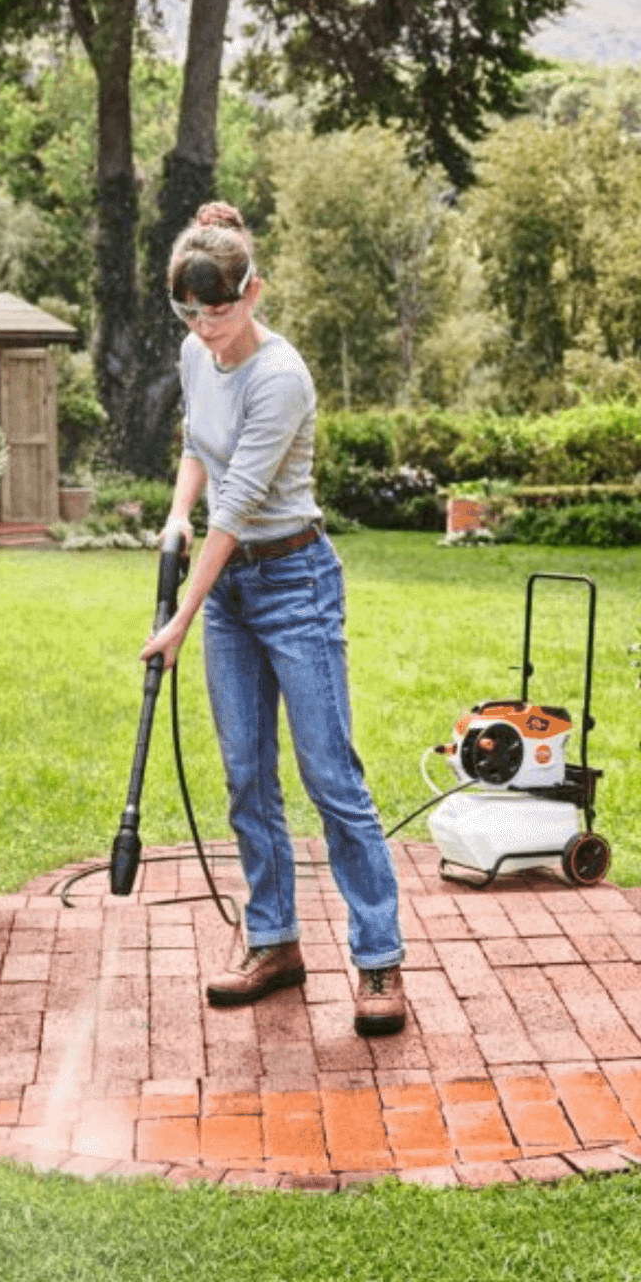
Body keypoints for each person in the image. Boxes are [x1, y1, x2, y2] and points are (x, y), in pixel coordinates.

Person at [138, 201, 408, 1036]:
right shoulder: (196, 352)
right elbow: (198, 450)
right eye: (193, 313)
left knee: (331, 777)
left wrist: (179, 617)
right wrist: (176, 513)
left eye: (220, 312)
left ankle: (378, 960)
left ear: (254, 292)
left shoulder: (281, 377)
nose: (208, 330)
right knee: (247, 775)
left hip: (295, 581)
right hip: (231, 594)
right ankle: (274, 941)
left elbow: (243, 504)